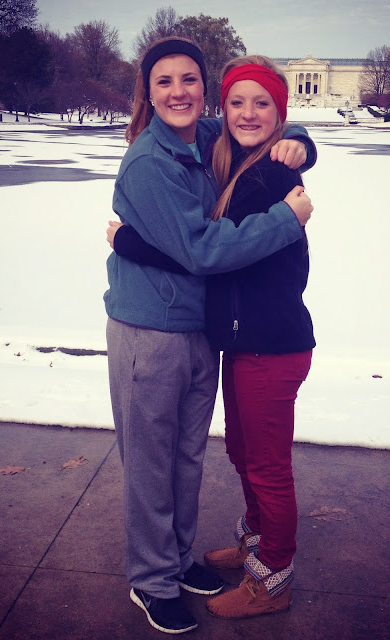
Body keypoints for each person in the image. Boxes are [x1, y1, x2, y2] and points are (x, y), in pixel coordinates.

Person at [104, 38, 316, 634]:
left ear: (205, 90)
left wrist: (302, 141)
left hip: (204, 331)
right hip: (150, 331)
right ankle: (152, 580)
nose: (179, 92)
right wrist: (287, 218)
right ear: (147, 93)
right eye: (164, 81)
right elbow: (200, 250)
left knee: (187, 458)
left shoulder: (205, 137)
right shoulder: (148, 162)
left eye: (190, 79)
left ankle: (176, 560)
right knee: (150, 465)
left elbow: (264, 117)